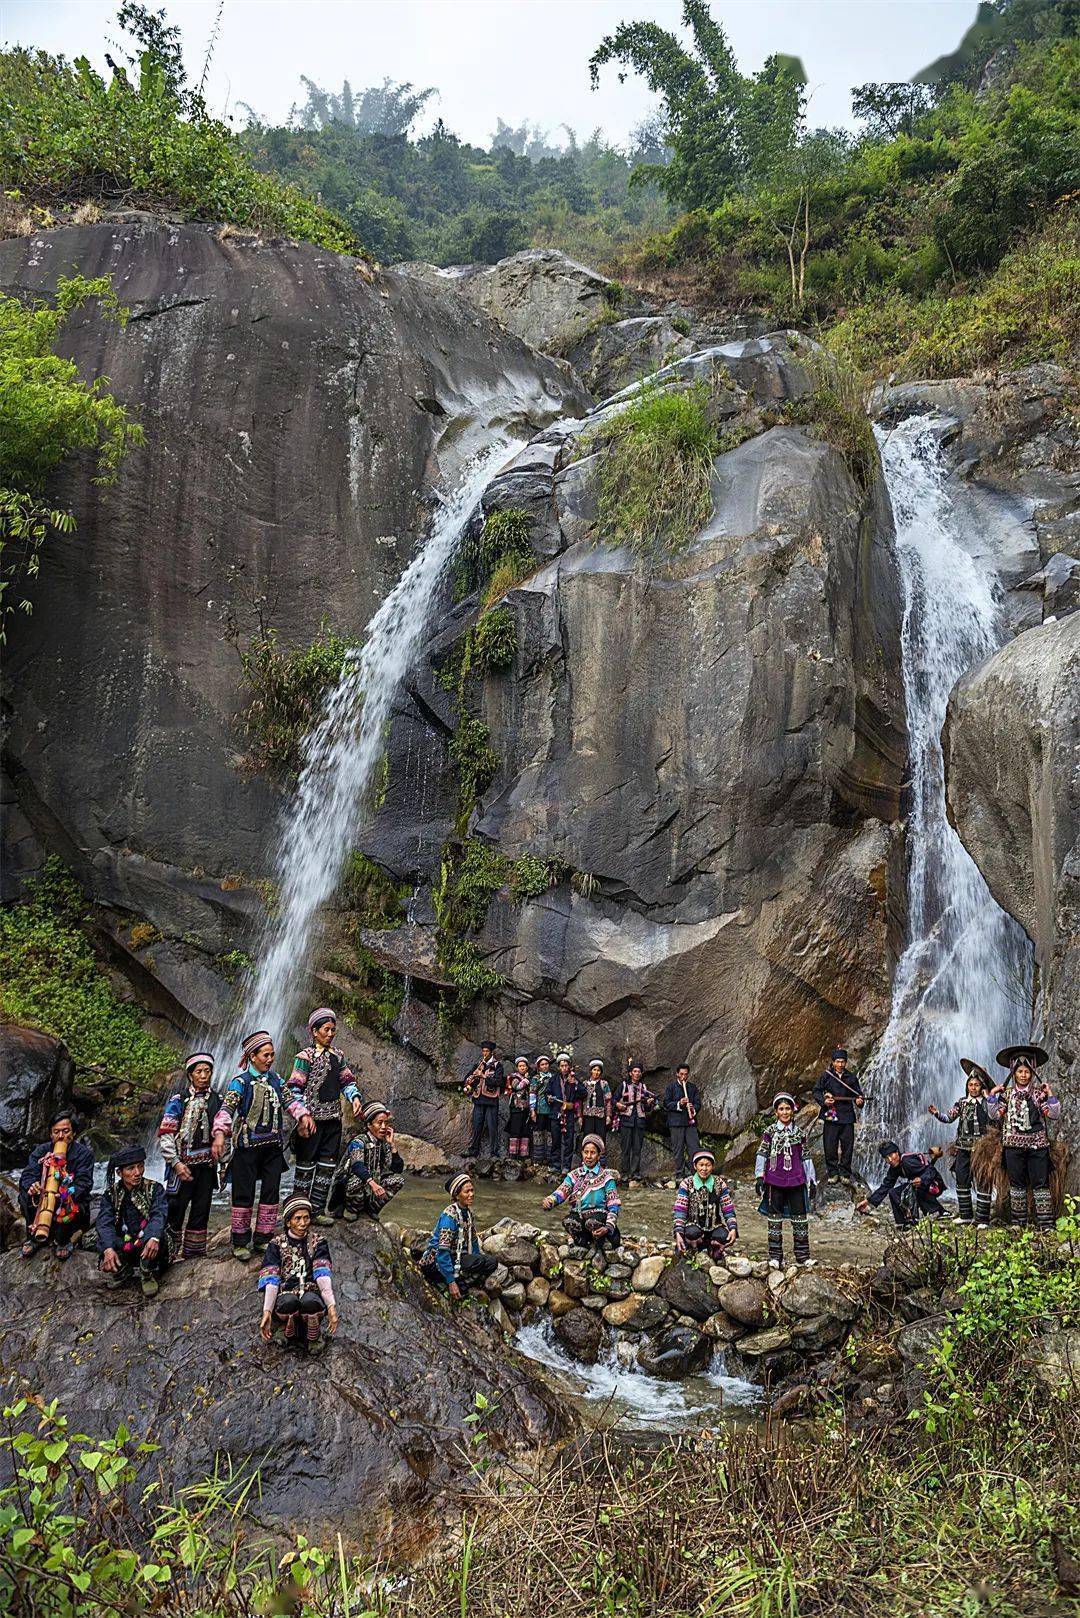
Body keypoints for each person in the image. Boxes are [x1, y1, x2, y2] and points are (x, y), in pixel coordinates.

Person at [213, 1030, 313, 1263]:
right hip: (247, 1147)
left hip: (272, 1147)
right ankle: (239, 1241)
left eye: (272, 1055)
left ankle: (263, 1236)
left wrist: (303, 1115)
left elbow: (290, 1101)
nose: (270, 1059)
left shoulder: (276, 1080)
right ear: (252, 1056)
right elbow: (226, 1110)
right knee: (243, 1193)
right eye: (266, 1055)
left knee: (271, 1191)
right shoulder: (240, 1083)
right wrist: (219, 1133)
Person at [287, 1008, 363, 1223]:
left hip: (333, 1121)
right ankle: (299, 1213)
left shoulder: (338, 1056)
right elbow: (294, 1089)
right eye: (326, 1030)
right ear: (314, 1031)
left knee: (327, 1166)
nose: (331, 1034)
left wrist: (354, 1098)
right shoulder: (304, 1058)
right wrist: (302, 1116)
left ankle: (318, 1211)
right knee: (305, 1167)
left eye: (333, 1030)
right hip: (310, 1122)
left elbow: (347, 1082)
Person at [987, 1044, 1061, 1230]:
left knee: (1040, 1184)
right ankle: (1018, 1223)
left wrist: (1050, 1094)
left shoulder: (1038, 1095)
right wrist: (992, 1097)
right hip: (1013, 1146)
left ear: (1032, 1073)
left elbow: (1053, 1114)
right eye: (1019, 1071)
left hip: (1038, 1146)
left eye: (1027, 1071)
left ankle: (1045, 1223)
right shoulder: (1007, 1095)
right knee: (1017, 1184)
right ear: (1013, 1072)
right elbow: (995, 1115)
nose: (1023, 1075)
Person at [158, 1051, 221, 1259]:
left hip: (206, 1168)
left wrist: (222, 1157)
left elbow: (224, 1131)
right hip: (182, 1168)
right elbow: (166, 1133)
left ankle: (193, 1257)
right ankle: (165, 1255)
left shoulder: (217, 1100)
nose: (204, 1076)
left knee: (201, 1211)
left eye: (207, 1071)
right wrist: (175, 1163)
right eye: (199, 1071)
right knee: (174, 1209)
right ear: (190, 1075)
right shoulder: (179, 1100)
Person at [258, 1192, 338, 1353]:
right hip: (286, 1293)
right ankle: (284, 1326)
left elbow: (322, 1275)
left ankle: (313, 1336)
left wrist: (331, 1306)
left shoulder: (318, 1242)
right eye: (297, 1219)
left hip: (310, 1291)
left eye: (306, 1218)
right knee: (288, 1302)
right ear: (288, 1222)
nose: (303, 1223)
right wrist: (266, 1311)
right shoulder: (276, 1245)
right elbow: (272, 1279)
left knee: (310, 1301)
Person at [96, 1144, 173, 1296]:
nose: (137, 1173)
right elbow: (105, 1221)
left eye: (140, 1166)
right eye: (131, 1168)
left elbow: (159, 1215)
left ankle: (147, 1272)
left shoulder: (155, 1189)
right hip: (125, 1243)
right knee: (102, 1240)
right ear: (120, 1172)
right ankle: (123, 1270)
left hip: (148, 1243)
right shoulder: (110, 1195)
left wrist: (154, 1237)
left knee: (158, 1236)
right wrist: (108, 1249)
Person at [18, 1110, 95, 1261]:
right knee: (24, 1196)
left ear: (73, 1133)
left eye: (66, 1131)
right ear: (50, 1134)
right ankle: (35, 1236)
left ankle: (64, 1240)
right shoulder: (41, 1151)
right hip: (44, 1199)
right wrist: (32, 1186)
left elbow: (85, 1183)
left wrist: (67, 1192)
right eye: (56, 1132)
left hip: (67, 1197)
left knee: (72, 1203)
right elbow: (27, 1175)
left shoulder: (84, 1154)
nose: (61, 1136)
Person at [928, 1059, 995, 1226]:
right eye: (971, 1084)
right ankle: (966, 1215)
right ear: (967, 1086)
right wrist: (937, 1113)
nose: (973, 1087)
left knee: (983, 1181)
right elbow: (949, 1118)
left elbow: (996, 1117)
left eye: (977, 1085)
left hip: (982, 1149)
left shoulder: (988, 1104)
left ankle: (982, 1218)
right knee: (962, 1180)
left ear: (982, 1087)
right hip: (962, 1148)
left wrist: (990, 1097)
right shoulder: (961, 1103)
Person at [755, 1092, 815, 1267]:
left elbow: (806, 1158)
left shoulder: (799, 1133)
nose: (785, 1112)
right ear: (776, 1112)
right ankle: (775, 1257)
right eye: (781, 1109)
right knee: (775, 1219)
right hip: (774, 1180)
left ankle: (803, 1257)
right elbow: (762, 1153)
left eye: (788, 1108)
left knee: (800, 1219)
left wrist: (812, 1181)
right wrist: (760, 1177)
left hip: (796, 1180)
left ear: (793, 1111)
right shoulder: (770, 1132)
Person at [420, 1173, 497, 1299]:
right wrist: (451, 1282)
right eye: (467, 1191)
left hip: (456, 1256)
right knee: (478, 1263)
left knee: (490, 1262)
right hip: (436, 1262)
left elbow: (473, 1241)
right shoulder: (449, 1217)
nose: (471, 1194)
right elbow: (442, 1251)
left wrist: (477, 1261)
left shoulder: (468, 1213)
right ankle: (454, 1283)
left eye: (472, 1190)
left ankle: (463, 1283)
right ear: (456, 1195)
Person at [329, 1101, 405, 1221]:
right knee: (357, 1180)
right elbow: (357, 1166)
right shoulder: (358, 1142)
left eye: (386, 1123)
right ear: (369, 1125)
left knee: (398, 1180)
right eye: (380, 1123)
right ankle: (351, 1209)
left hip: (371, 1187)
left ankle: (371, 1209)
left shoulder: (384, 1144)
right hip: (350, 1188)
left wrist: (392, 1145)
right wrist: (373, 1184)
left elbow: (397, 1169)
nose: (384, 1127)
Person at [542, 1134, 621, 1249]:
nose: (588, 1156)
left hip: (599, 1218)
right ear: (582, 1153)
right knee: (569, 1221)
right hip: (580, 1216)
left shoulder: (606, 1178)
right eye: (586, 1152)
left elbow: (614, 1205)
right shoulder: (574, 1175)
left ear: (599, 1155)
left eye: (593, 1153)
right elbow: (561, 1191)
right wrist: (550, 1201)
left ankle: (601, 1238)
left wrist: (608, 1227)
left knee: (592, 1221)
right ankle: (584, 1239)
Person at [858, 1141, 946, 1228]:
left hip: (934, 1184)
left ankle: (939, 1211)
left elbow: (931, 1170)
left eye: (891, 1155)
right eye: (886, 1158)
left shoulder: (907, 1161)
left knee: (915, 1186)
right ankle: (905, 1222)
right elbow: (886, 1186)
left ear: (897, 1152)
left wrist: (922, 1180)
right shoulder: (894, 1168)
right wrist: (868, 1201)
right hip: (920, 1186)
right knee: (893, 1192)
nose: (890, 1160)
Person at [672, 1147, 737, 1259]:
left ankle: (711, 1247)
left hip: (713, 1226)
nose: (704, 1168)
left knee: (724, 1236)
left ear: (712, 1166)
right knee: (691, 1233)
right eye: (701, 1165)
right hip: (692, 1225)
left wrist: (733, 1228)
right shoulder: (686, 1184)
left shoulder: (720, 1183)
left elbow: (728, 1208)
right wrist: (678, 1232)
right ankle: (693, 1246)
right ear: (695, 1166)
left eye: (708, 1165)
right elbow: (680, 1210)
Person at [812, 1047, 864, 1183]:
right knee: (830, 1146)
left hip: (847, 1116)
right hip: (831, 1115)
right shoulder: (826, 1076)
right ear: (833, 1062)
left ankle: (845, 1173)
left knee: (847, 1146)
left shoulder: (851, 1077)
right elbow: (816, 1091)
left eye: (843, 1062)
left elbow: (858, 1094)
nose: (840, 1065)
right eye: (838, 1062)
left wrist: (859, 1101)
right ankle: (833, 1173)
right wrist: (824, 1100)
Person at [462, 1040, 506, 1161]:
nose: (484, 1054)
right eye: (483, 1051)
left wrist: (483, 1076)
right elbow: (469, 1078)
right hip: (479, 1099)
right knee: (476, 1125)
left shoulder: (498, 1066)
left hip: (491, 1101)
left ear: (492, 1053)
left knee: (492, 1127)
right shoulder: (478, 1065)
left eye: (487, 1051)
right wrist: (469, 1083)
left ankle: (494, 1153)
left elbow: (499, 1082)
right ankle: (473, 1150)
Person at [614, 1061, 655, 1182]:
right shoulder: (623, 1085)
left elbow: (647, 1109)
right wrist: (618, 1105)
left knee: (637, 1148)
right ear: (630, 1073)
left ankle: (635, 1172)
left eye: (639, 1071)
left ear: (641, 1074)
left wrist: (648, 1103)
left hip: (639, 1121)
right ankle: (625, 1173)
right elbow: (613, 1100)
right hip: (626, 1120)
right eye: (635, 1071)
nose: (637, 1074)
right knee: (625, 1148)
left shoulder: (644, 1088)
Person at [663, 1064, 701, 1178]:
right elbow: (666, 1104)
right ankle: (680, 1173)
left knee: (694, 1147)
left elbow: (698, 1103)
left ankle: (695, 1173)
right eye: (681, 1074)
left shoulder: (692, 1088)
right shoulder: (671, 1087)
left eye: (685, 1074)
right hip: (676, 1123)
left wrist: (693, 1108)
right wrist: (679, 1103)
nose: (683, 1077)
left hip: (690, 1122)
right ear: (677, 1074)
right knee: (678, 1149)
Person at [546, 1052, 581, 1176]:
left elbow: (583, 1093)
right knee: (555, 1140)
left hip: (569, 1114)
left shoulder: (574, 1079)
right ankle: (555, 1165)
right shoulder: (554, 1079)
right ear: (559, 1067)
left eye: (566, 1065)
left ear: (569, 1066)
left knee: (568, 1141)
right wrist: (549, 1098)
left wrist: (575, 1083)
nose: (564, 1068)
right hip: (556, 1113)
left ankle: (566, 1166)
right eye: (562, 1065)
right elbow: (547, 1093)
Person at [578, 1059, 612, 1157]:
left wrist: (608, 1116)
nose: (596, 1072)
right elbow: (580, 1101)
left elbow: (608, 1100)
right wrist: (580, 1116)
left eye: (598, 1070)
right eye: (594, 1070)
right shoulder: (584, 1084)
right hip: (587, 1116)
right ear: (590, 1071)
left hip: (600, 1116)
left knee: (600, 1138)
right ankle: (586, 1161)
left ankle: (601, 1162)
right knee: (588, 1137)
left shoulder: (604, 1084)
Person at [506, 1056, 533, 1160]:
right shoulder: (513, 1077)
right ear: (517, 1067)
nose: (522, 1068)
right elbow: (517, 1087)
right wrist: (526, 1080)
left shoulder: (529, 1078)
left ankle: (523, 1155)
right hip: (516, 1108)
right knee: (515, 1130)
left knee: (525, 1131)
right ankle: (513, 1155)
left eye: (524, 1066)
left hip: (526, 1109)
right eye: (520, 1066)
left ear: (527, 1067)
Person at [530, 1054, 553, 1167]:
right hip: (539, 1109)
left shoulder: (553, 1077)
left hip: (551, 1110)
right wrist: (532, 1110)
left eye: (546, 1064)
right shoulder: (535, 1078)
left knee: (550, 1133)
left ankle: (549, 1158)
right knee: (538, 1133)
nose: (545, 1066)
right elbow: (532, 1094)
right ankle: (538, 1159)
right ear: (538, 1067)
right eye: (542, 1064)